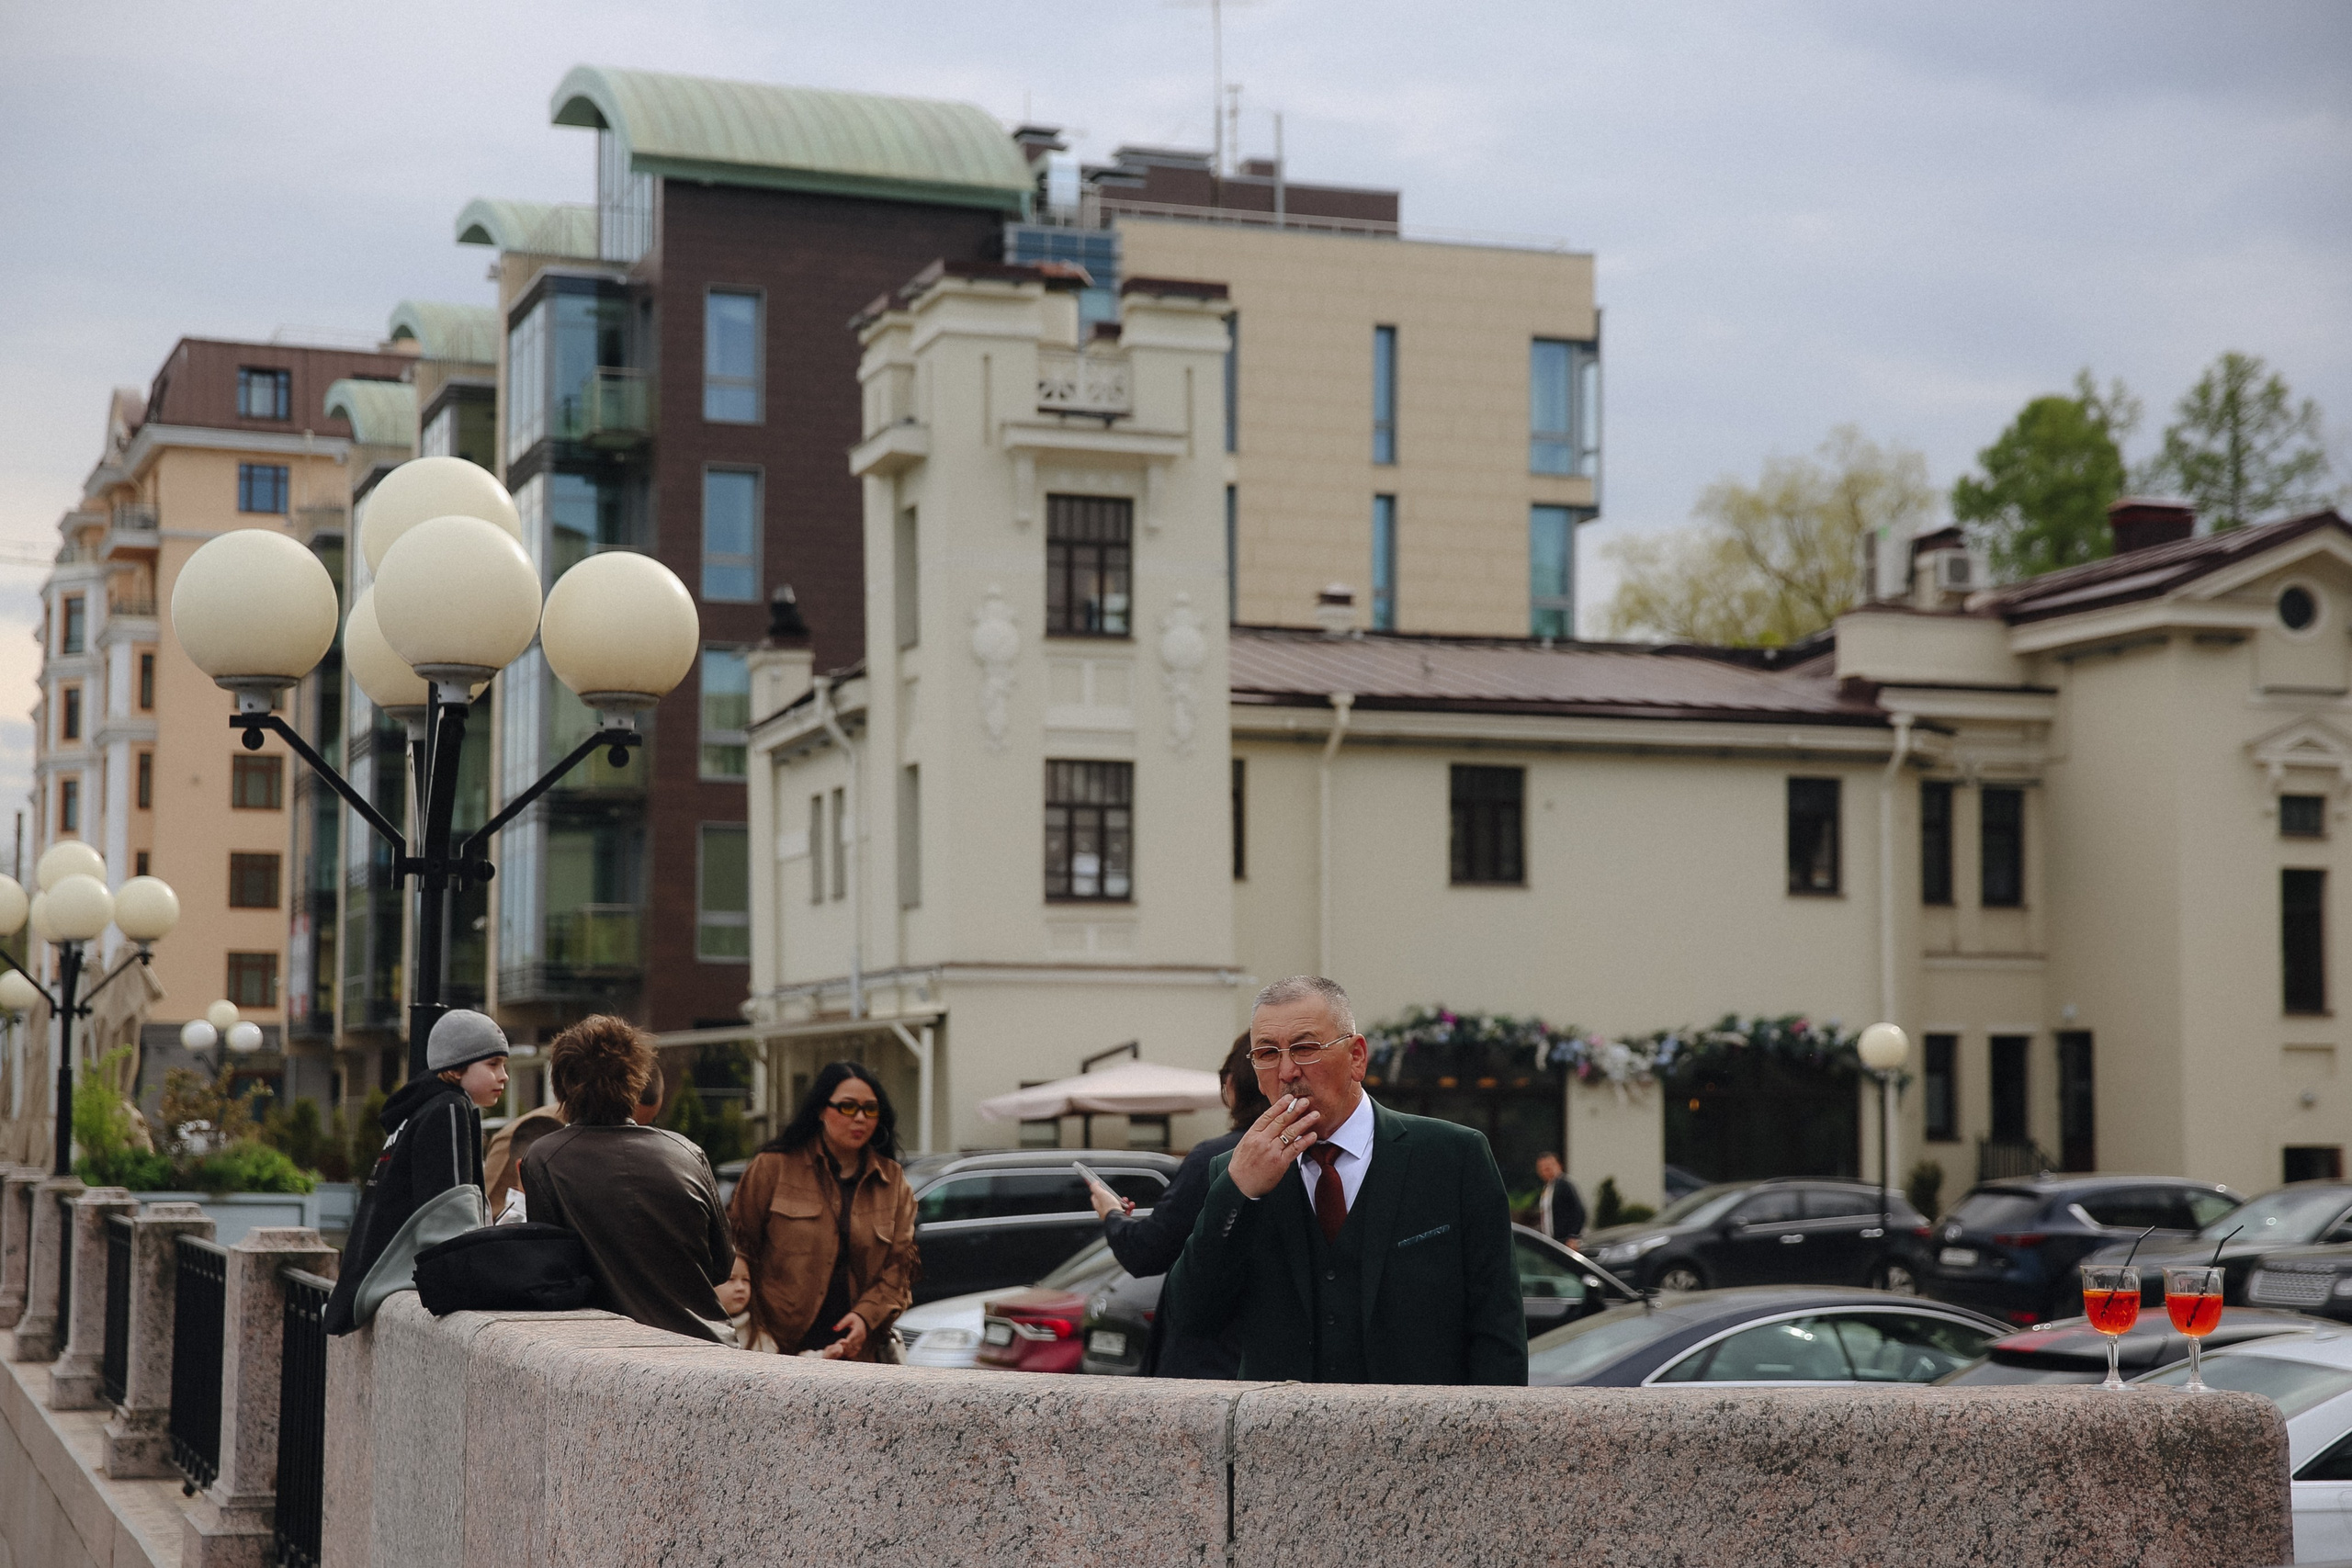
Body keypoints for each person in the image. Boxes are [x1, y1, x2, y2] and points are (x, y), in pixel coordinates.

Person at [1162, 976, 1527, 1385]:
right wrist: (1237, 1191)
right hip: (1282, 1425)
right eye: (1267, 1054)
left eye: (1304, 1048)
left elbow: (1498, 1329)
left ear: (1356, 1057)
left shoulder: (1454, 1157)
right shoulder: (1233, 1173)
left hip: (1420, 1423)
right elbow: (1192, 1318)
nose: (1287, 1071)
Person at [521, 1015, 736, 1344]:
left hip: (608, 1350)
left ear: (561, 1086)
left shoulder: (544, 1158)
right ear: (637, 1080)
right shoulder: (686, 1152)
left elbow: (554, 1274)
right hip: (707, 1344)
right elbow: (721, 1265)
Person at [1088, 1034, 1267, 1377]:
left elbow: (1147, 1251)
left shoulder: (1214, 1159)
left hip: (1209, 1358)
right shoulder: (1314, 1152)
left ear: (1232, 1084)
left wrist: (1111, 1214)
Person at [322, 1010, 509, 1334]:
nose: (503, 1076)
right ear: (456, 1068)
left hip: (361, 1282)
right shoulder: (449, 1108)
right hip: (396, 1279)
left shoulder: (417, 1110)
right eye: (493, 1064)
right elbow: (449, 1217)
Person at [724, 1062, 920, 1359]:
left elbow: (899, 1270)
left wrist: (866, 1317)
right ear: (821, 1110)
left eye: (870, 1109)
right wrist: (750, 1326)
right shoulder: (773, 1168)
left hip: (857, 1353)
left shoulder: (892, 1183)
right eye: (847, 1107)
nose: (860, 1118)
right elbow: (737, 1248)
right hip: (777, 1352)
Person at [1532, 1152, 1585, 1247]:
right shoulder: (1548, 1187)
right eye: (1541, 1169)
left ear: (1558, 1166)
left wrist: (1573, 1236)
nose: (1544, 1172)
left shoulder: (1564, 1184)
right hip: (1551, 1240)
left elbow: (1578, 1211)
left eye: (1548, 1168)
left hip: (1564, 1240)